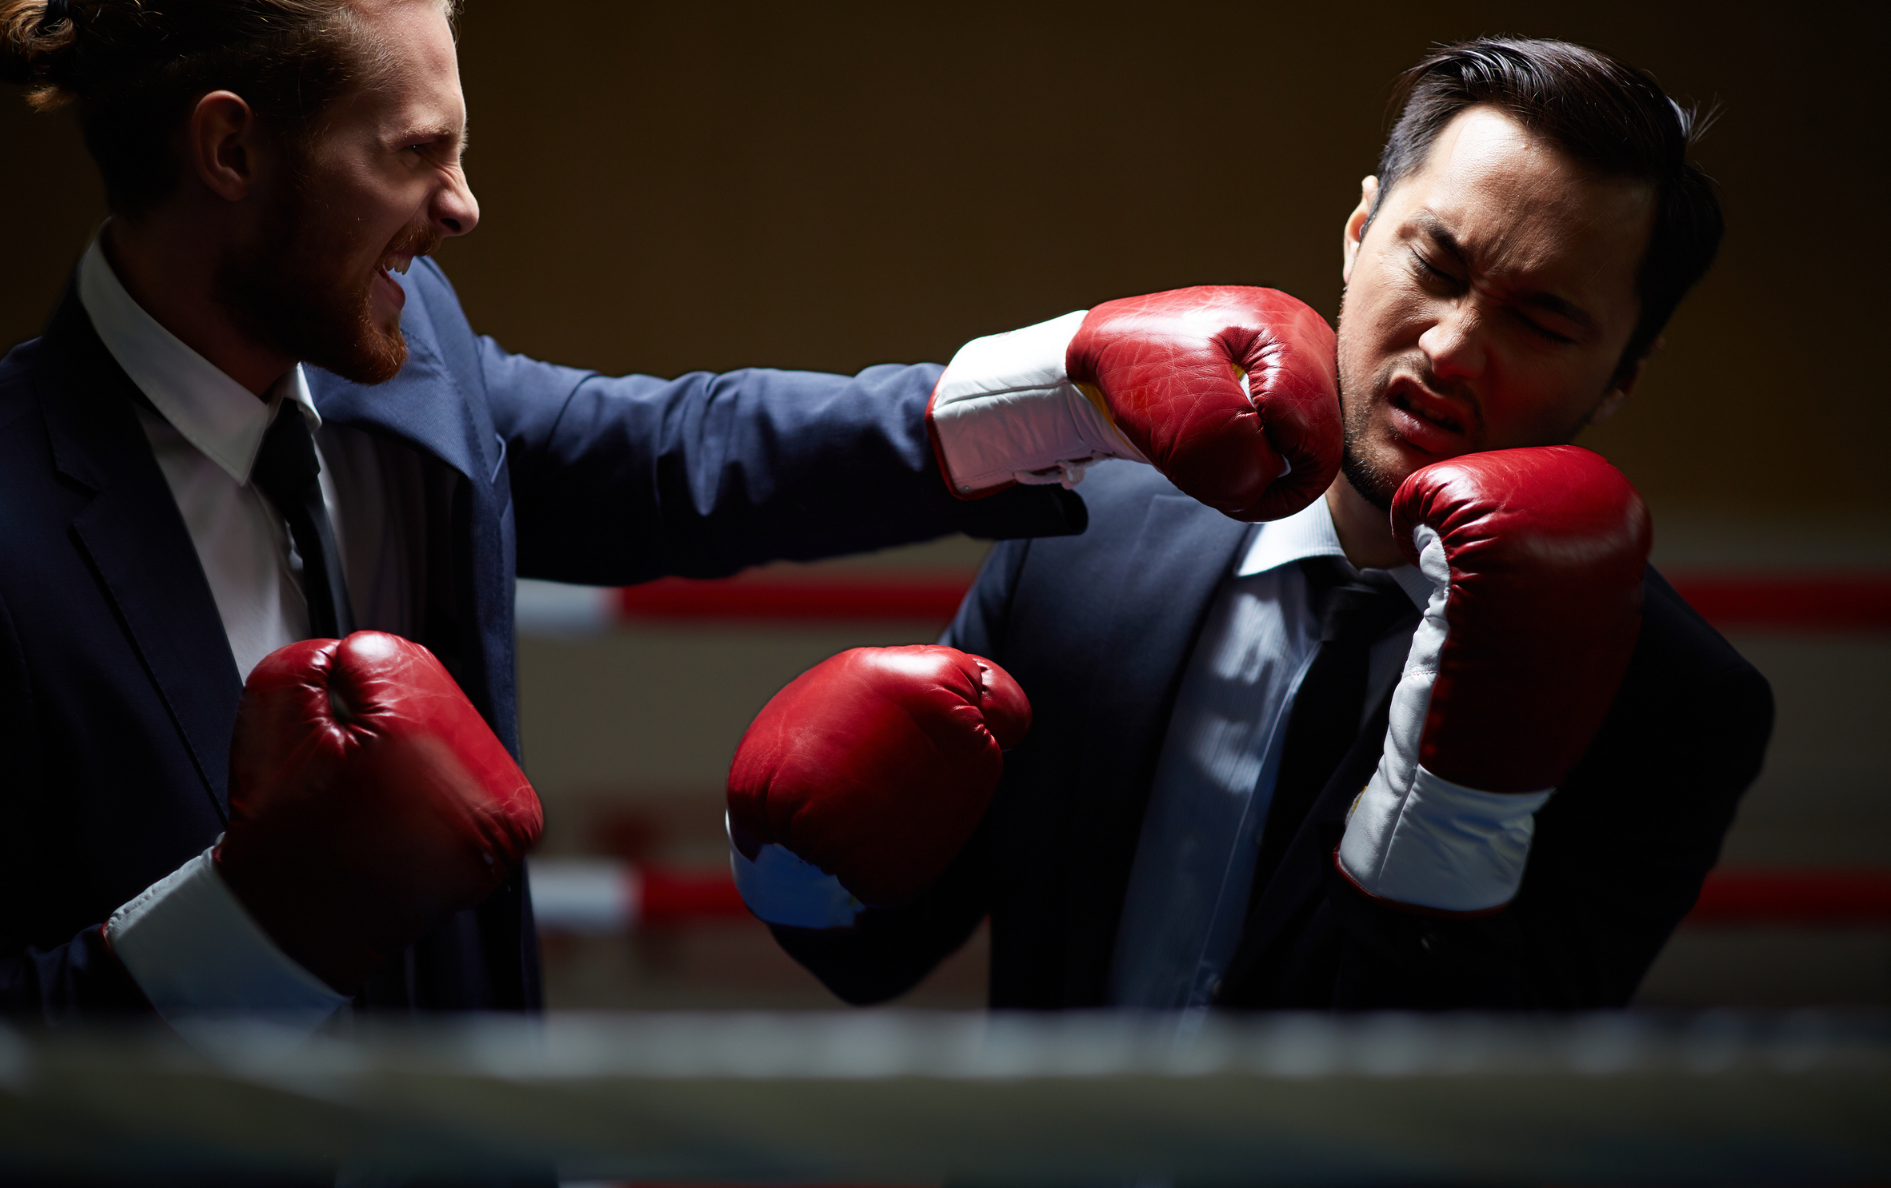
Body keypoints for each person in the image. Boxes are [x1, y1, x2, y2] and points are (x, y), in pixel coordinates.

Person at [0, 0, 1344, 1025]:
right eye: (414, 155)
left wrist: (1069, 388)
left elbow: (672, 455)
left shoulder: (402, 355)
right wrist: (246, 922)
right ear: (229, 152)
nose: (461, 205)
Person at [729, 37, 1777, 1010]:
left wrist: (1462, 818)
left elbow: (1493, 1084)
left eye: (1542, 319)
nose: (1454, 346)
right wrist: (798, 869)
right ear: (1360, 233)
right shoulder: (1091, 538)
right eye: (1436, 268)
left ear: (1626, 373)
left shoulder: (1671, 699)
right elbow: (880, 950)